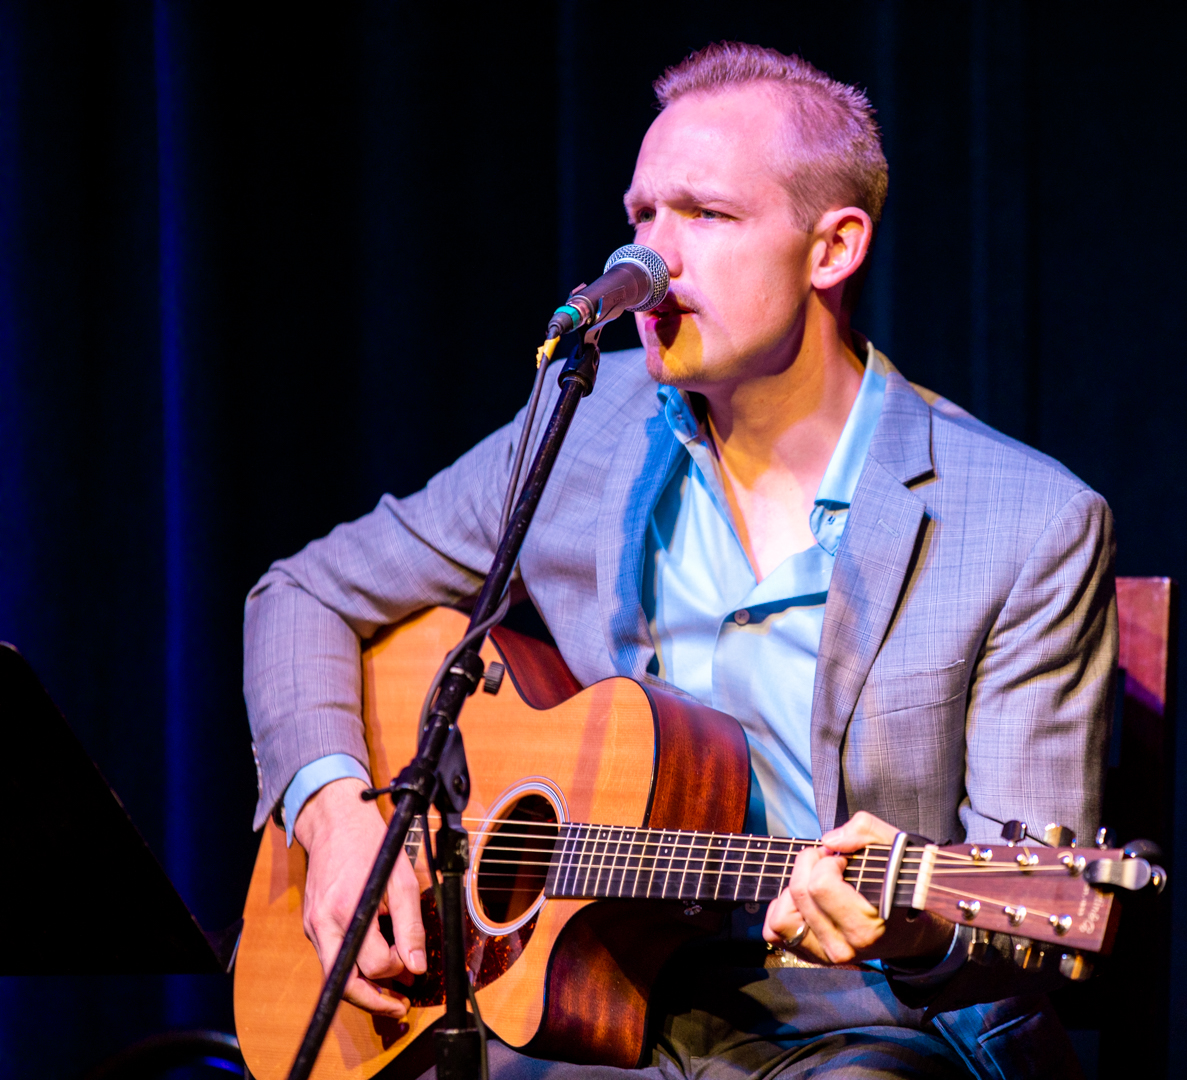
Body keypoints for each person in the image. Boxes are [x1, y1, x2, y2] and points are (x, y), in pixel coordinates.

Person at [244, 42, 1116, 1079]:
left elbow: (1020, 930)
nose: (648, 261)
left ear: (832, 248)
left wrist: (913, 929)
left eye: (704, 216)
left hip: (864, 1023)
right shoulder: (590, 424)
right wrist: (335, 813)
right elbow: (302, 594)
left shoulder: (1026, 521)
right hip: (593, 997)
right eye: (643, 216)